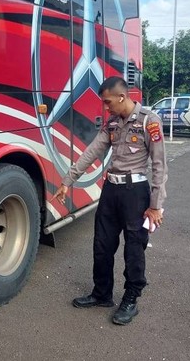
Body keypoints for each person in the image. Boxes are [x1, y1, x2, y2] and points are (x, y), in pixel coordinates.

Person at [51, 76, 167, 326]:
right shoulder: (113, 123)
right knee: (102, 245)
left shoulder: (149, 121)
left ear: (122, 97)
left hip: (136, 193)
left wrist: (155, 205)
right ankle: (101, 293)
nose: (105, 107)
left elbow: (159, 166)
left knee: (134, 247)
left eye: (107, 102)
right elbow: (92, 151)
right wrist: (67, 181)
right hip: (111, 191)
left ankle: (131, 298)